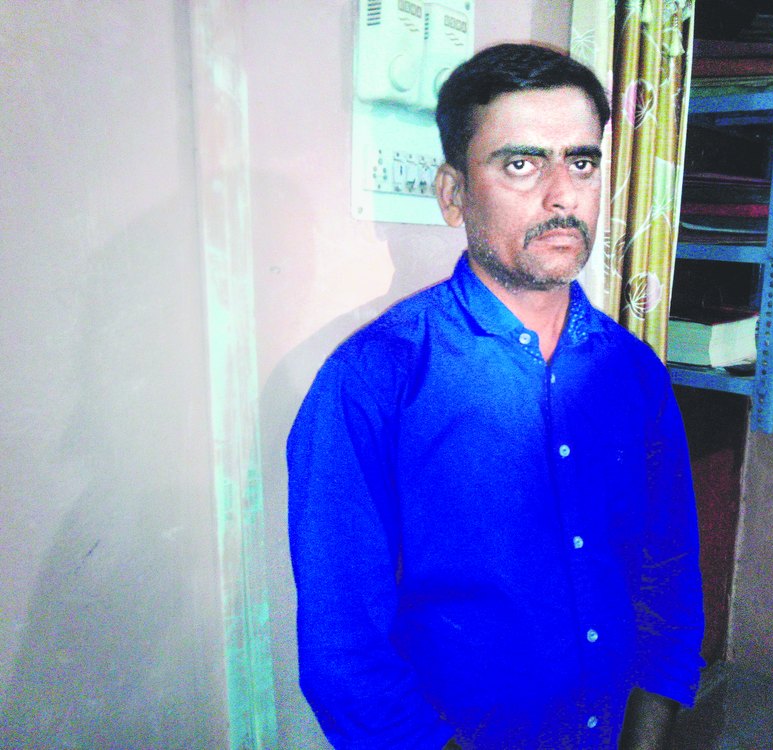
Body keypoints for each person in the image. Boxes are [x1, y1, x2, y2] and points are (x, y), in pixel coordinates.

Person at [287, 43, 704, 750]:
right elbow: (346, 651)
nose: (563, 195)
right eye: (521, 164)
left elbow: (669, 577)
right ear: (453, 193)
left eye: (582, 162)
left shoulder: (633, 373)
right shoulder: (373, 382)